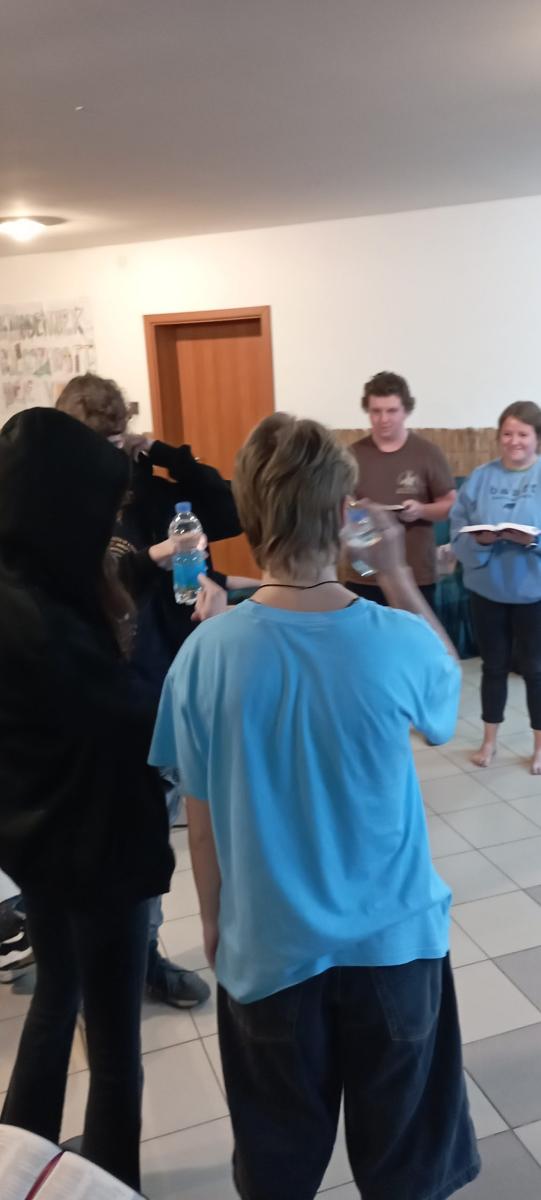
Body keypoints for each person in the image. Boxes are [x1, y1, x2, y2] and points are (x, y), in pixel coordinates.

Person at [150, 413, 480, 1200]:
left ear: (247, 517)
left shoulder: (206, 653)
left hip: (269, 949)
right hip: (394, 946)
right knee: (404, 1169)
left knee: (278, 1166)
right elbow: (444, 702)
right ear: (341, 514)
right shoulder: (394, 638)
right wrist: (396, 576)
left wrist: (214, 923)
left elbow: (200, 814)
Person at [0, 407, 174, 1191]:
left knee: (54, 999)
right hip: (95, 853)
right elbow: (136, 719)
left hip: (38, 847)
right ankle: (111, 1180)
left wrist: (137, 579)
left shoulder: (22, 583)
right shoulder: (42, 624)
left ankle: (17, 1166)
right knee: (113, 1051)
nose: (106, 532)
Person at [56, 371, 246, 1009]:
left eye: (118, 445)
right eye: (99, 447)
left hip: (166, 681)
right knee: (104, 845)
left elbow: (225, 508)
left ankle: (142, 959)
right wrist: (156, 556)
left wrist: (162, 453)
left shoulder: (145, 487)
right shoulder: (59, 503)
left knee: (150, 840)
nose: (111, 460)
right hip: (101, 696)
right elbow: (83, 584)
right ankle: (93, 974)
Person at [451, 400, 541, 772]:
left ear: (537, 438)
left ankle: (539, 746)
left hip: (534, 592)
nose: (514, 441)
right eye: (507, 433)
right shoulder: (480, 478)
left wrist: (534, 542)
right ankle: (489, 741)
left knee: (536, 669)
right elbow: (458, 533)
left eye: (523, 434)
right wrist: (482, 541)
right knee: (493, 666)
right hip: (487, 589)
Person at [347, 371, 456, 607]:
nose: (383, 419)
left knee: (416, 631)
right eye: (376, 411)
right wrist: (359, 514)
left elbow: (450, 505)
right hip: (363, 572)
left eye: (391, 411)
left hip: (415, 575)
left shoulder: (427, 453)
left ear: (406, 410)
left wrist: (421, 510)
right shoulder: (351, 455)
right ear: (367, 411)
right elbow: (340, 508)